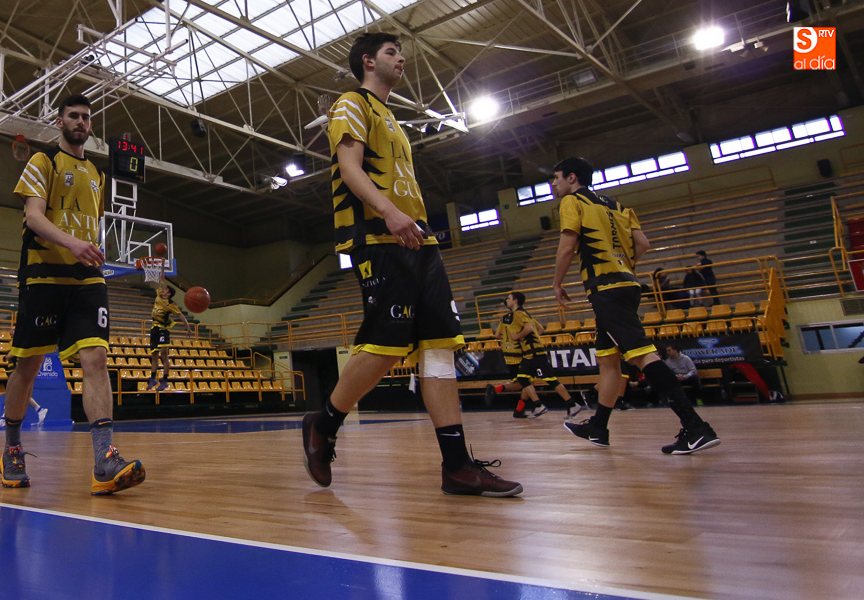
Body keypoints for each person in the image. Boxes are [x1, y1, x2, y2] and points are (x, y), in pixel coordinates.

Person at [301, 33, 521, 497]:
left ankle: (457, 466)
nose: (401, 58)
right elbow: (349, 169)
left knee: (439, 348)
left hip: (418, 239)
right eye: (391, 52)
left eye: (401, 52)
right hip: (378, 236)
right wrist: (388, 212)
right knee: (385, 347)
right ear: (368, 61)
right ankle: (324, 423)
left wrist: (408, 220)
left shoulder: (392, 120)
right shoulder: (351, 103)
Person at [3, 94, 145, 494]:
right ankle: (12, 448)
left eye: (86, 117)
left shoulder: (97, 174)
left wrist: (88, 248)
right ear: (60, 121)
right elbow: (33, 216)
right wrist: (72, 243)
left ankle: (104, 459)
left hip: (86, 278)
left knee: (96, 358)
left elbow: (91, 227)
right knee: (28, 367)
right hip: (43, 275)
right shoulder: (43, 161)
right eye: (73, 116)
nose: (80, 121)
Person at [550, 156, 719, 455]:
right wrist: (624, 267)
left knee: (642, 355)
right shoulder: (618, 206)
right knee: (608, 361)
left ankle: (695, 427)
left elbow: (567, 246)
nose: (554, 184)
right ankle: (598, 427)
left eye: (556, 178)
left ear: (572, 178)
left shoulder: (572, 201)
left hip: (606, 289)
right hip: (628, 284)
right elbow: (643, 244)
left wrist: (557, 283)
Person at [483, 291, 579, 419]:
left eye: (509, 298)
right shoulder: (523, 314)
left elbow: (529, 328)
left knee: (551, 380)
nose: (506, 300)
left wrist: (518, 336)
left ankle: (572, 404)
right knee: (522, 380)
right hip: (528, 354)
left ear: (515, 301)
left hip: (535, 353)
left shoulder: (518, 314)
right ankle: (538, 405)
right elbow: (539, 329)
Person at [147, 284, 191, 392]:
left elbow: (181, 316)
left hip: (163, 330)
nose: (163, 290)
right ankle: (152, 379)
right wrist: (162, 273)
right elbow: (161, 282)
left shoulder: (171, 305)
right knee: (154, 355)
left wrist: (188, 329)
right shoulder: (159, 295)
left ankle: (165, 380)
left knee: (164, 355)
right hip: (154, 330)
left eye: (166, 289)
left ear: (169, 293)